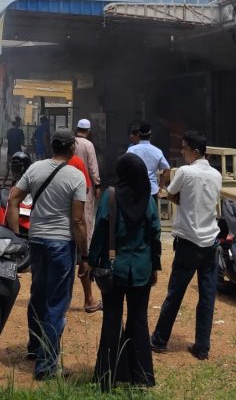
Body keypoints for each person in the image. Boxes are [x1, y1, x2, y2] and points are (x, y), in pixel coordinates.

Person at [7, 127, 88, 381]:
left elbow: (13, 199)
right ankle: (46, 366)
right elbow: (78, 221)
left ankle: (34, 347)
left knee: (38, 295)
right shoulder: (76, 177)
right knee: (56, 303)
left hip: (37, 241)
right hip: (62, 245)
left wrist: (16, 236)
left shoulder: (35, 169)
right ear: (72, 148)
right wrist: (84, 255)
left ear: (52, 146)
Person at [89, 153, 161, 390]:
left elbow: (99, 231)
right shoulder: (149, 201)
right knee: (139, 320)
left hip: (113, 269)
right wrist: (155, 266)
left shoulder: (110, 197)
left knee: (111, 318)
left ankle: (105, 378)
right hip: (141, 270)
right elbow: (156, 236)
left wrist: (90, 261)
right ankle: (142, 377)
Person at [150, 130, 222, 360]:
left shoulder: (185, 172)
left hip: (188, 241)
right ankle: (202, 346)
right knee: (207, 295)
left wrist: (177, 199)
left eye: (184, 148)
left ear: (195, 151)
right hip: (210, 241)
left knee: (175, 293)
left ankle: (160, 340)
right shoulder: (216, 175)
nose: (182, 152)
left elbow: (169, 193)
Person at [74, 118, 102, 313]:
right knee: (87, 217)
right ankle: (86, 250)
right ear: (89, 131)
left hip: (69, 185)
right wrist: (97, 183)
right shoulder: (88, 144)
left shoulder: (71, 142)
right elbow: (92, 166)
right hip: (85, 186)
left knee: (74, 216)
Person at [127, 122, 171, 202]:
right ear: (150, 136)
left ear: (139, 136)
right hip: (152, 191)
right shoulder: (157, 151)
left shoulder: (131, 150)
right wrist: (160, 187)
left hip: (135, 190)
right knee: (152, 213)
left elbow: (124, 169)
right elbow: (167, 171)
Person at [3, 116, 25, 185]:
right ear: (18, 123)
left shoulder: (9, 131)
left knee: (8, 168)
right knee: (17, 168)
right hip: (18, 153)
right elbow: (22, 143)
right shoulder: (20, 131)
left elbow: (7, 140)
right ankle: (14, 182)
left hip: (10, 152)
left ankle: (3, 183)